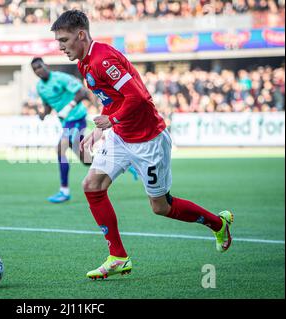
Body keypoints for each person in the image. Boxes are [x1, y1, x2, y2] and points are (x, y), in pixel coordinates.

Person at [50, 10, 234, 280]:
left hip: (149, 140)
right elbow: (113, 97)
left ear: (81, 35)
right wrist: (101, 131)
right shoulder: (84, 62)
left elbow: (138, 96)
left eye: (64, 40)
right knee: (92, 185)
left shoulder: (103, 59)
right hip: (121, 136)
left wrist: (111, 120)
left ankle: (218, 224)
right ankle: (118, 256)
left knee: (161, 207)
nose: (61, 47)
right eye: (58, 41)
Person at [31, 57, 92, 203]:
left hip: (77, 117)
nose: (38, 70)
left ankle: (64, 191)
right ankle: (118, 164)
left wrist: (68, 106)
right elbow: (48, 106)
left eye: (40, 67)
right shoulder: (40, 87)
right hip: (65, 122)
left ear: (46, 65)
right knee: (86, 159)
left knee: (60, 149)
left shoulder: (60, 78)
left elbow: (82, 92)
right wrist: (42, 114)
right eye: (35, 69)